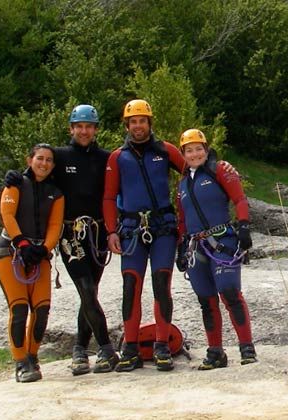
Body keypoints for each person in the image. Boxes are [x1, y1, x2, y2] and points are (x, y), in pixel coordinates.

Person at [4, 104, 119, 375]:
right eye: (79, 126)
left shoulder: (107, 158)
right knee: (87, 289)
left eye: (88, 126)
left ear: (96, 129)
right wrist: (15, 177)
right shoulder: (61, 156)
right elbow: (38, 169)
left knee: (90, 292)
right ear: (71, 128)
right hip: (70, 234)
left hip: (98, 233)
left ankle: (80, 348)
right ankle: (104, 348)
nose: (83, 131)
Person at [103, 99, 185, 372]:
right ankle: (130, 348)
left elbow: (195, 170)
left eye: (143, 121)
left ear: (150, 123)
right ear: (127, 125)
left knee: (161, 284)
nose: (138, 126)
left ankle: (162, 346)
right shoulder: (118, 157)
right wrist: (111, 231)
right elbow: (108, 196)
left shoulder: (166, 151)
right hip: (131, 231)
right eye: (133, 121)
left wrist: (220, 168)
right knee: (131, 287)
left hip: (163, 228)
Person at [174, 128, 257, 370]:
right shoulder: (182, 185)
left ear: (206, 149)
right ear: (183, 154)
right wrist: (181, 248)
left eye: (199, 148)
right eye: (189, 150)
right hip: (195, 246)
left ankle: (247, 348)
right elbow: (182, 219)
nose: (195, 153)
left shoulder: (220, 169)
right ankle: (215, 352)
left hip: (223, 241)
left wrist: (243, 227)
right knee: (206, 300)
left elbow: (240, 199)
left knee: (229, 292)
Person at [0, 143, 65, 383]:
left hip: (39, 254)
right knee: (20, 307)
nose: (43, 163)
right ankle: (20, 362)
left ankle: (33, 357)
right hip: (10, 252)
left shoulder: (56, 192)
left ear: (53, 165)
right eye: (39, 159)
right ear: (29, 160)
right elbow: (8, 215)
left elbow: (55, 225)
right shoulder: (14, 184)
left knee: (42, 309)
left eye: (48, 160)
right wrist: (21, 243)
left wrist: (44, 248)